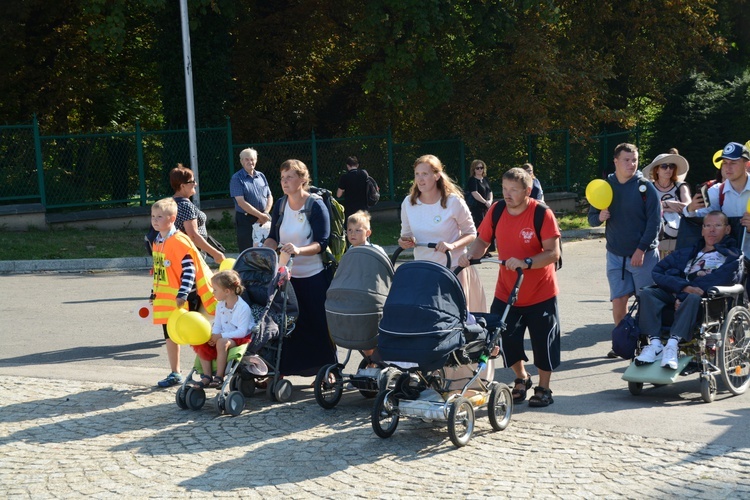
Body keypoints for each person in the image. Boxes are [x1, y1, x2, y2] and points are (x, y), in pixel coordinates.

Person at [458, 167, 561, 407]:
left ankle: (544, 387)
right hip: (507, 291)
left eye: (513, 190)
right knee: (505, 340)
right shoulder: (497, 210)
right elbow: (483, 240)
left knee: (543, 342)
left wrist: (527, 262)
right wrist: (470, 255)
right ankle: (521, 377)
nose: (508, 194)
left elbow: (553, 253)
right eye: (504, 189)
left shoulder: (541, 214)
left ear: (527, 191)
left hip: (540, 292)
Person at [635, 211, 740, 369]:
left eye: (718, 225)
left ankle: (672, 345)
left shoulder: (732, 256)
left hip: (706, 302)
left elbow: (723, 278)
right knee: (647, 293)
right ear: (702, 230)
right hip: (678, 293)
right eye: (708, 226)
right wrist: (682, 288)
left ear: (727, 230)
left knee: (693, 298)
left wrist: (684, 295)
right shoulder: (686, 253)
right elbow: (657, 272)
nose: (712, 230)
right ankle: (655, 344)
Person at [264, 159, 337, 376]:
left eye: (289, 177)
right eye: (282, 178)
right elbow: (272, 237)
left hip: (313, 276)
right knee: (289, 326)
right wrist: (263, 249)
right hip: (287, 277)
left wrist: (298, 249)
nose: (284, 182)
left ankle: (329, 371)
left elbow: (322, 243)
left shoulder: (315, 205)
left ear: (302, 180)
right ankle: (285, 369)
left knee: (318, 325)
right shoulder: (280, 204)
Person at [588, 143, 661, 359]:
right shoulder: (605, 186)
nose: (631, 164)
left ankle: (649, 342)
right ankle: (622, 341)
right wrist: (599, 217)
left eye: (635, 160)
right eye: (627, 160)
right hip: (615, 255)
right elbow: (592, 218)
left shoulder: (646, 188)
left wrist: (641, 249)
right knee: (618, 301)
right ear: (616, 161)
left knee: (646, 301)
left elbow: (654, 223)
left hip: (643, 255)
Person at [398, 154, 486, 313]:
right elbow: (406, 234)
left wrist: (452, 245)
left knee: (455, 315)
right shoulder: (408, 203)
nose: (420, 179)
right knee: (428, 316)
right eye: (417, 174)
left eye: (425, 174)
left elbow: (471, 233)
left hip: (453, 268)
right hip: (424, 269)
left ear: (437, 175)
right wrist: (404, 241)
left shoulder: (453, 201)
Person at [149, 198, 217, 388]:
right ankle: (175, 372)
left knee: (195, 334)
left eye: (160, 217)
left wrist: (183, 294)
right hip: (166, 299)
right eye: (153, 216)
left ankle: (207, 373)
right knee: (170, 335)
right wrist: (154, 291)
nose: (155, 220)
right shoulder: (158, 241)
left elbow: (189, 270)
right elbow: (161, 270)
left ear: (172, 218)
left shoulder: (178, 240)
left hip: (184, 297)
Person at [191, 270, 255, 388]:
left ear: (227, 291)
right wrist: (214, 336)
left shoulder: (243, 308)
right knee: (201, 340)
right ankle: (207, 376)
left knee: (221, 342)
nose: (213, 292)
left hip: (240, 337)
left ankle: (219, 376)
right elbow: (218, 325)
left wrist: (219, 337)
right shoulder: (220, 305)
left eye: (215, 290)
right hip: (224, 334)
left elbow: (241, 332)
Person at [685, 143, 750, 253]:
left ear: (747, 164)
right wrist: (690, 209)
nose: (727, 167)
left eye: (733, 163)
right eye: (725, 163)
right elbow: (699, 220)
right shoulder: (716, 191)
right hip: (727, 260)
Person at [170, 164, 225, 264]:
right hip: (190, 254)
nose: (195, 184)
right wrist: (215, 253)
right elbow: (193, 236)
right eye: (192, 181)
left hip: (178, 252)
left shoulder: (170, 202)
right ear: (182, 186)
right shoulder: (185, 206)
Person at [640, 153, 691, 258]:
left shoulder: (680, 186)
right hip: (655, 240)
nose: (668, 169)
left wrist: (660, 207)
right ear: (657, 170)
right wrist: (668, 204)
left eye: (671, 166)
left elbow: (688, 207)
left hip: (678, 239)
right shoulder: (649, 187)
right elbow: (644, 208)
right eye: (664, 166)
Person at [230, 148, 274, 253]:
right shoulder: (237, 178)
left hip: (264, 219)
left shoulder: (261, 176)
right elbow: (241, 202)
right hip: (246, 221)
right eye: (247, 159)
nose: (250, 162)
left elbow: (269, 196)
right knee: (248, 252)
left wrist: (265, 213)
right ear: (241, 161)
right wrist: (260, 215)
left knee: (265, 250)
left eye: (252, 159)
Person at [465, 159, 494, 257]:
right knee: (480, 228)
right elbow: (474, 193)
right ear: (474, 169)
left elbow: (490, 191)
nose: (480, 170)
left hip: (486, 208)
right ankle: (480, 252)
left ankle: (487, 250)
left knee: (488, 227)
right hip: (477, 208)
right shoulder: (472, 180)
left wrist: (490, 201)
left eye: (481, 168)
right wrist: (485, 202)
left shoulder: (485, 179)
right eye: (477, 168)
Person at [336, 156, 370, 220]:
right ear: (357, 165)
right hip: (363, 207)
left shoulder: (345, 177)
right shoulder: (364, 174)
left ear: (347, 166)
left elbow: (338, 195)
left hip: (350, 208)